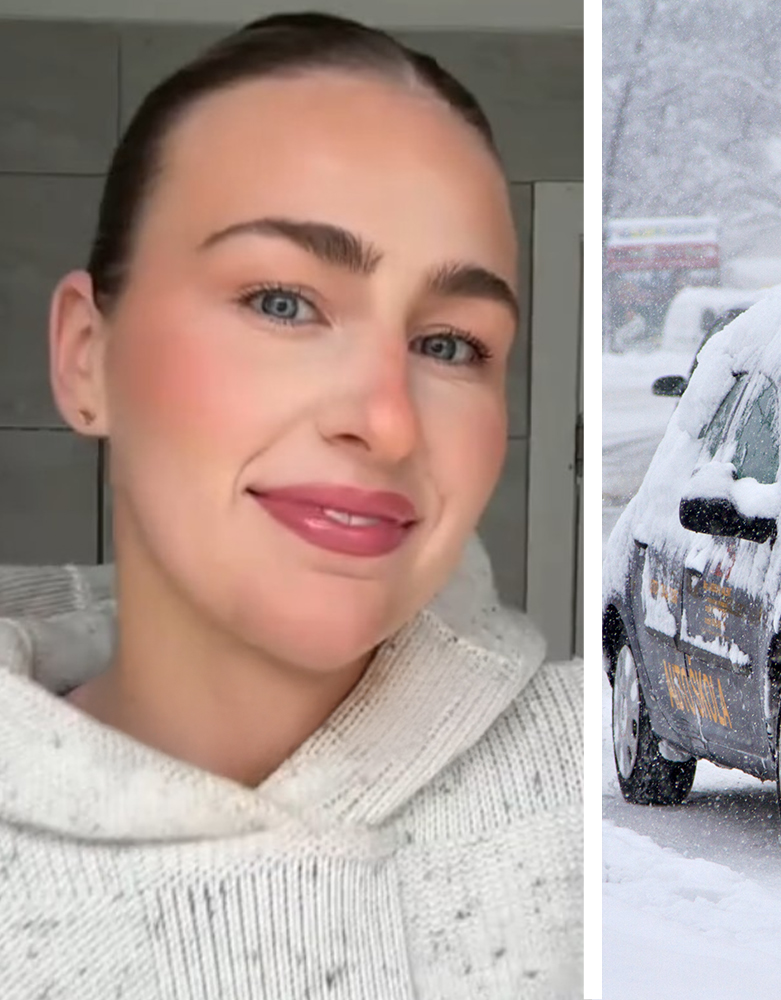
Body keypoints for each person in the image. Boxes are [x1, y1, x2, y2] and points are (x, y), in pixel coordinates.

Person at [0, 13, 581, 997]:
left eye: (450, 344)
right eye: (282, 301)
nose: (387, 422)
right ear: (85, 357)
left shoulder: (590, 800)